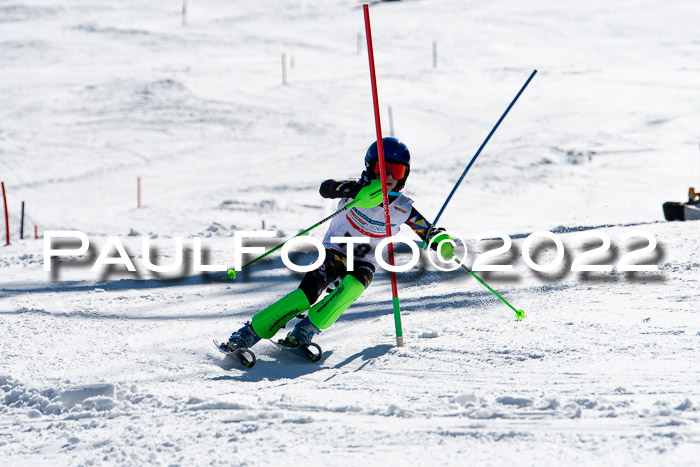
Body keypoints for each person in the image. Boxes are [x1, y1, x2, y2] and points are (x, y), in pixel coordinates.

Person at [221, 137, 454, 352]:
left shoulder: (403, 207)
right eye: (381, 169)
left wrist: (440, 240)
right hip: (333, 253)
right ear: (369, 167)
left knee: (353, 287)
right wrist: (350, 189)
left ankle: (306, 329)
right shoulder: (356, 189)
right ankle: (249, 333)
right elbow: (326, 188)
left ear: (405, 175)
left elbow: (427, 230)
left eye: (396, 171)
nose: (389, 176)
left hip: (364, 262)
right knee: (305, 297)